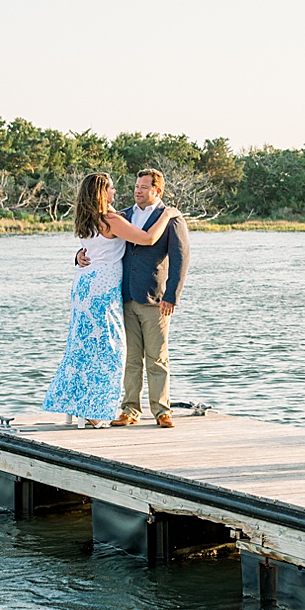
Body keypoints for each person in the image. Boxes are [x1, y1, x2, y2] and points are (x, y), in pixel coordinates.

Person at [44, 173, 181, 428]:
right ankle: (96, 411)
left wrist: (78, 256)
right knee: (109, 349)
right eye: (110, 188)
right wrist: (167, 214)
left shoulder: (88, 217)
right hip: (102, 288)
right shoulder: (111, 219)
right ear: (101, 193)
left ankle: (80, 405)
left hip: (84, 284)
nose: (115, 191)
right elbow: (148, 238)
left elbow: (94, 248)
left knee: (83, 347)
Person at [78, 167, 189, 427]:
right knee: (129, 357)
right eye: (136, 186)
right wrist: (77, 256)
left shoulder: (170, 218)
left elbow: (181, 258)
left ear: (157, 191)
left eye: (143, 187)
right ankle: (129, 410)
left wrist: (172, 295)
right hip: (123, 296)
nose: (137, 191)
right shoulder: (122, 215)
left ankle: (162, 411)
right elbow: (97, 244)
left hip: (155, 298)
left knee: (157, 357)